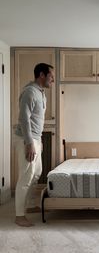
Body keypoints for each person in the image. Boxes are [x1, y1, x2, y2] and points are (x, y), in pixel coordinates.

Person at [14, 63, 54, 227]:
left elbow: (37, 120)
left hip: (35, 139)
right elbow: (24, 119)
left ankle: (29, 206)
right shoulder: (30, 92)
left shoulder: (41, 93)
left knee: (36, 173)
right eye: (51, 76)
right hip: (26, 139)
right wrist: (30, 142)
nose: (52, 79)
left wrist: (39, 141)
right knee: (26, 176)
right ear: (42, 75)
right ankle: (19, 215)